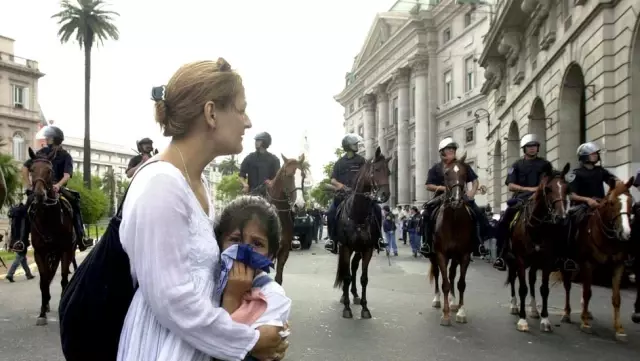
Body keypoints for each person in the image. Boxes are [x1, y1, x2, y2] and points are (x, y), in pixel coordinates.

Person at [116, 58, 288, 361]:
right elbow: (173, 300)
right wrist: (248, 341)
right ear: (211, 113)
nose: (248, 122)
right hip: (165, 350)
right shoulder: (160, 184)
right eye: (241, 108)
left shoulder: (196, 181)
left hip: (197, 346)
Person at [214, 196, 291, 361]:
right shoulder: (208, 285)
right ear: (219, 244)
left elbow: (225, 350)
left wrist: (232, 297)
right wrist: (232, 294)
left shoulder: (272, 295)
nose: (244, 251)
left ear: (270, 255)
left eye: (257, 243)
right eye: (235, 240)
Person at [19, 125, 88, 251]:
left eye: (48, 137)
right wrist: (29, 185)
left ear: (55, 139)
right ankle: (22, 240)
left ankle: (81, 237)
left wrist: (58, 185)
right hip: (41, 187)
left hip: (58, 188)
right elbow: (24, 168)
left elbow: (67, 175)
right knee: (27, 206)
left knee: (75, 203)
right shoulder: (41, 152)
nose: (46, 138)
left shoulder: (66, 156)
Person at [420, 137, 488, 257]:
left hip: (461, 195)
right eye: (448, 148)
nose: (451, 150)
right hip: (441, 196)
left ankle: (479, 243)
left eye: (453, 148)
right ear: (442, 151)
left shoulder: (463, 166)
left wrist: (472, 191)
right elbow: (428, 185)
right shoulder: (436, 168)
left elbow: (475, 180)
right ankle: (427, 243)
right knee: (426, 214)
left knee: (478, 213)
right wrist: (445, 189)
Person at [493, 133, 552, 271]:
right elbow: (511, 185)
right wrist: (529, 189)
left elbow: (549, 180)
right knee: (504, 222)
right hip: (520, 198)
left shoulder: (545, 164)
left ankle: (561, 256)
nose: (532, 148)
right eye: (529, 146)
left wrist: (539, 191)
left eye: (535, 146)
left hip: (540, 198)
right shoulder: (516, 165)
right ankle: (501, 255)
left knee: (560, 220)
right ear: (524, 149)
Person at [566, 142, 620, 271]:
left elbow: (614, 180)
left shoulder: (600, 171)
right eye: (593, 154)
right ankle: (568, 256)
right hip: (582, 206)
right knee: (569, 223)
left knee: (619, 218)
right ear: (584, 156)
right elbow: (571, 195)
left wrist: (620, 184)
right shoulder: (575, 173)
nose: (596, 156)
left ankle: (621, 255)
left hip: (600, 204)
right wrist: (587, 200)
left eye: (596, 154)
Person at [324, 134, 383, 254]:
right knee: (330, 213)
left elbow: (369, 175)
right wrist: (341, 186)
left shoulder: (362, 161)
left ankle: (378, 239)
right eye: (355, 144)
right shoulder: (339, 163)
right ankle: (333, 241)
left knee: (377, 209)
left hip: (360, 195)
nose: (357, 146)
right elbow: (333, 180)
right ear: (348, 146)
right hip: (343, 196)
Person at [239, 132, 280, 197]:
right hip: (252, 195)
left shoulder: (274, 160)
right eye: (255, 140)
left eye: (258, 140)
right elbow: (241, 175)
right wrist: (245, 185)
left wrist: (272, 182)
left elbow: (278, 177)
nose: (255, 142)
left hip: (268, 195)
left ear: (265, 142)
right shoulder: (249, 158)